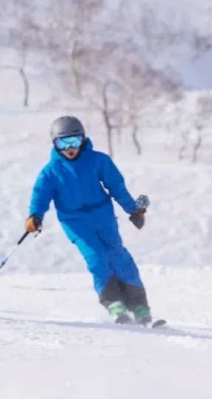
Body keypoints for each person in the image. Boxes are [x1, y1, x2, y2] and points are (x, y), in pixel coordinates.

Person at [25, 116, 151, 324]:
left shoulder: (99, 161)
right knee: (96, 258)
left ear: (83, 140)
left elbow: (117, 187)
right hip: (75, 221)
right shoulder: (50, 172)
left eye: (74, 141)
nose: (70, 148)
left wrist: (133, 210)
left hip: (102, 215)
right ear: (54, 143)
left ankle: (138, 304)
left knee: (118, 256)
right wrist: (35, 215)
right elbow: (40, 195)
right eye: (63, 143)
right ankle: (113, 302)